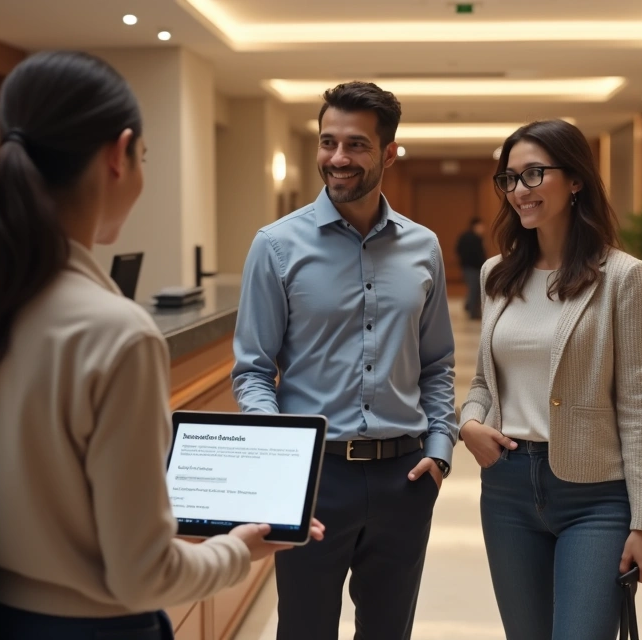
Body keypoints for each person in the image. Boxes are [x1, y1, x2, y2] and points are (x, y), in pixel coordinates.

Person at [0, 51, 320, 640]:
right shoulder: (118, 334)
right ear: (118, 155)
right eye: (144, 157)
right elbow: (142, 574)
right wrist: (236, 548)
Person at [232, 81, 457, 640]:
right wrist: (281, 462)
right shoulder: (276, 246)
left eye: (356, 145)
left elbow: (437, 364)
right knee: (304, 630)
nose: (337, 158)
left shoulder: (423, 247)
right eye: (328, 142)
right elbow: (253, 371)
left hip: (404, 476)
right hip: (315, 477)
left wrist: (439, 452)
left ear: (388, 154)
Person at [459, 119, 642, 640]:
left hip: (594, 497)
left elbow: (639, 407)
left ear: (575, 180)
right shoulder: (496, 274)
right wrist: (469, 424)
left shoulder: (623, 277)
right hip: (506, 489)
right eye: (509, 179)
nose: (519, 190)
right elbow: (484, 381)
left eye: (534, 174)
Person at [456, 217, 487, 320]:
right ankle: (473, 312)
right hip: (473, 268)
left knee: (474, 289)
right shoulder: (473, 238)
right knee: (475, 289)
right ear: (475, 226)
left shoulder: (468, 237)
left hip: (469, 267)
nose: (483, 228)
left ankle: (469, 307)